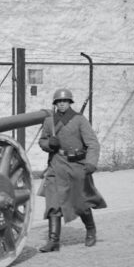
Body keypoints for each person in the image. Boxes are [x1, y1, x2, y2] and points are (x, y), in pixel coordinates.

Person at [37, 88, 106, 252]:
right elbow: (42, 141)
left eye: (65, 101)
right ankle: (53, 241)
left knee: (80, 203)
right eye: (59, 102)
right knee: (53, 202)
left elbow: (93, 144)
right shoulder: (49, 122)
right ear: (55, 104)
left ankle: (90, 230)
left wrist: (90, 163)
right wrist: (49, 144)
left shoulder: (80, 120)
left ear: (69, 103)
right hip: (57, 164)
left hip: (77, 165)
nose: (61, 104)